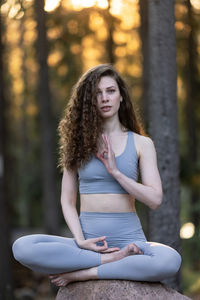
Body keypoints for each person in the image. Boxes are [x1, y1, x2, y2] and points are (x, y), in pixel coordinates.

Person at [12, 64, 181, 287]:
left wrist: (116, 172)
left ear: (121, 96)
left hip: (130, 242)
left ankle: (84, 273)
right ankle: (108, 260)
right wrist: (81, 241)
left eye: (110, 91)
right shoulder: (77, 143)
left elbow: (155, 199)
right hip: (89, 244)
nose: (104, 98)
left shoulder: (142, 143)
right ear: (90, 101)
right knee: (21, 247)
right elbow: (67, 200)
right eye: (97, 93)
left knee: (170, 260)